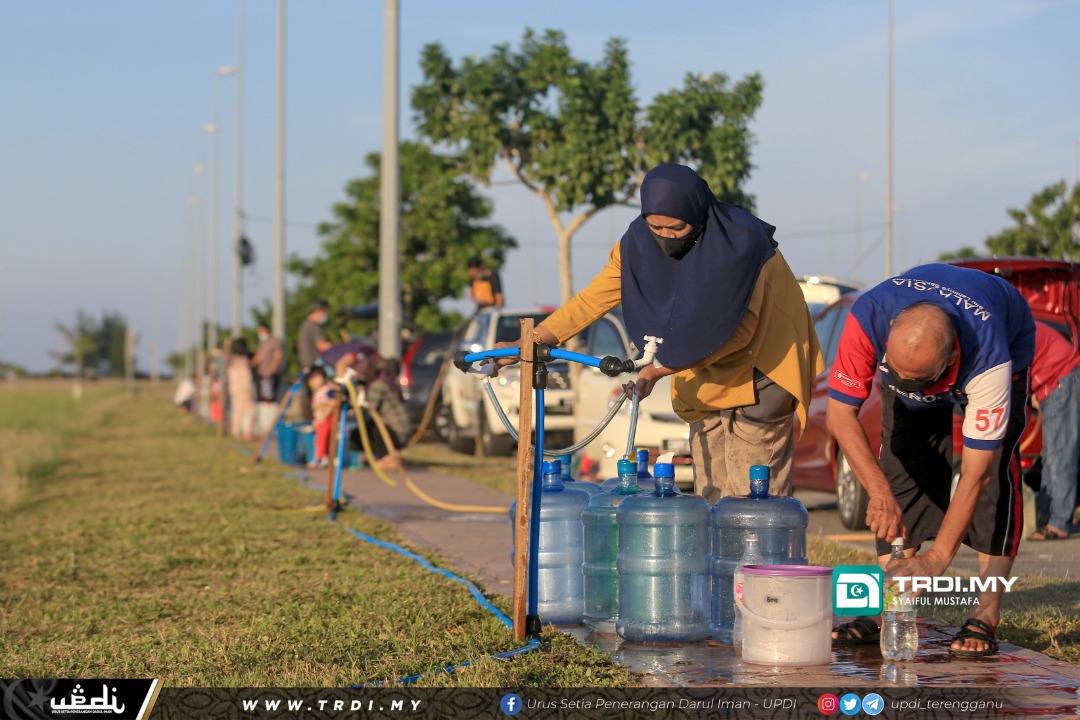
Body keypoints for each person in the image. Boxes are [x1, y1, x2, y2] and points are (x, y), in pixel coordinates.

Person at [492, 163, 823, 502]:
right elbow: (591, 300)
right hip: (700, 368)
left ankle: (757, 558)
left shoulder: (744, 246)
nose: (665, 236)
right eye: (656, 227)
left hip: (763, 366)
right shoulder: (636, 246)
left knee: (754, 497)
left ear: (697, 214)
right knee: (712, 491)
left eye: (676, 227)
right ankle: (721, 556)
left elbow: (741, 332)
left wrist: (660, 369)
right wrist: (528, 342)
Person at [826, 263, 1036, 658]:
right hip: (920, 352)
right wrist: (878, 492)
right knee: (901, 464)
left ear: (952, 356)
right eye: (898, 376)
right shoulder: (868, 315)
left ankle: (986, 612)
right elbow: (840, 415)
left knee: (998, 474)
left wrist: (938, 559)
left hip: (1007, 330)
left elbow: (977, 476)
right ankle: (892, 604)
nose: (908, 389)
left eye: (918, 382)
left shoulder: (989, 357)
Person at [1028, 320, 1080, 541]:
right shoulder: (1008, 324)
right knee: (1050, 456)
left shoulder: (1004, 330)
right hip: (1051, 379)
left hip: (1060, 376)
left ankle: (1058, 523)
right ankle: (1046, 517)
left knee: (1060, 454)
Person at [336, 349, 411, 473]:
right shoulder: (385, 381)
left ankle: (390, 458)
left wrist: (349, 413)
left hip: (395, 432)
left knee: (359, 433)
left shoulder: (378, 385)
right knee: (364, 429)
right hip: (398, 431)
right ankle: (391, 456)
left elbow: (368, 411)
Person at [297, 300, 334, 422]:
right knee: (320, 399)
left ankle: (310, 422)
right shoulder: (314, 326)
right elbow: (321, 345)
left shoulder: (304, 325)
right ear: (319, 311)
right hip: (315, 369)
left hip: (307, 366)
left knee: (309, 399)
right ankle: (317, 423)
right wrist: (339, 348)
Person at [226, 337, 256, 440]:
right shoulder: (244, 360)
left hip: (234, 389)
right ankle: (247, 432)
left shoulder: (231, 360)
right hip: (244, 388)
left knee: (237, 410)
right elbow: (246, 377)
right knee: (249, 410)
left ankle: (236, 431)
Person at [306, 366, 337, 468]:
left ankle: (319, 458)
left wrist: (325, 415)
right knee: (320, 439)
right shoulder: (317, 392)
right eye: (311, 379)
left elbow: (333, 402)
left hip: (327, 419)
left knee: (322, 439)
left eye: (315, 378)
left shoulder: (327, 389)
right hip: (320, 420)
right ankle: (323, 457)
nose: (312, 382)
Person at [251, 323, 284, 403]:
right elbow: (259, 356)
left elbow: (278, 357)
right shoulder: (263, 342)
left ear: (267, 330)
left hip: (271, 374)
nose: (260, 334)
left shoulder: (275, 341)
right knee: (261, 397)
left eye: (261, 331)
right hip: (262, 374)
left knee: (269, 398)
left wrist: (270, 370)